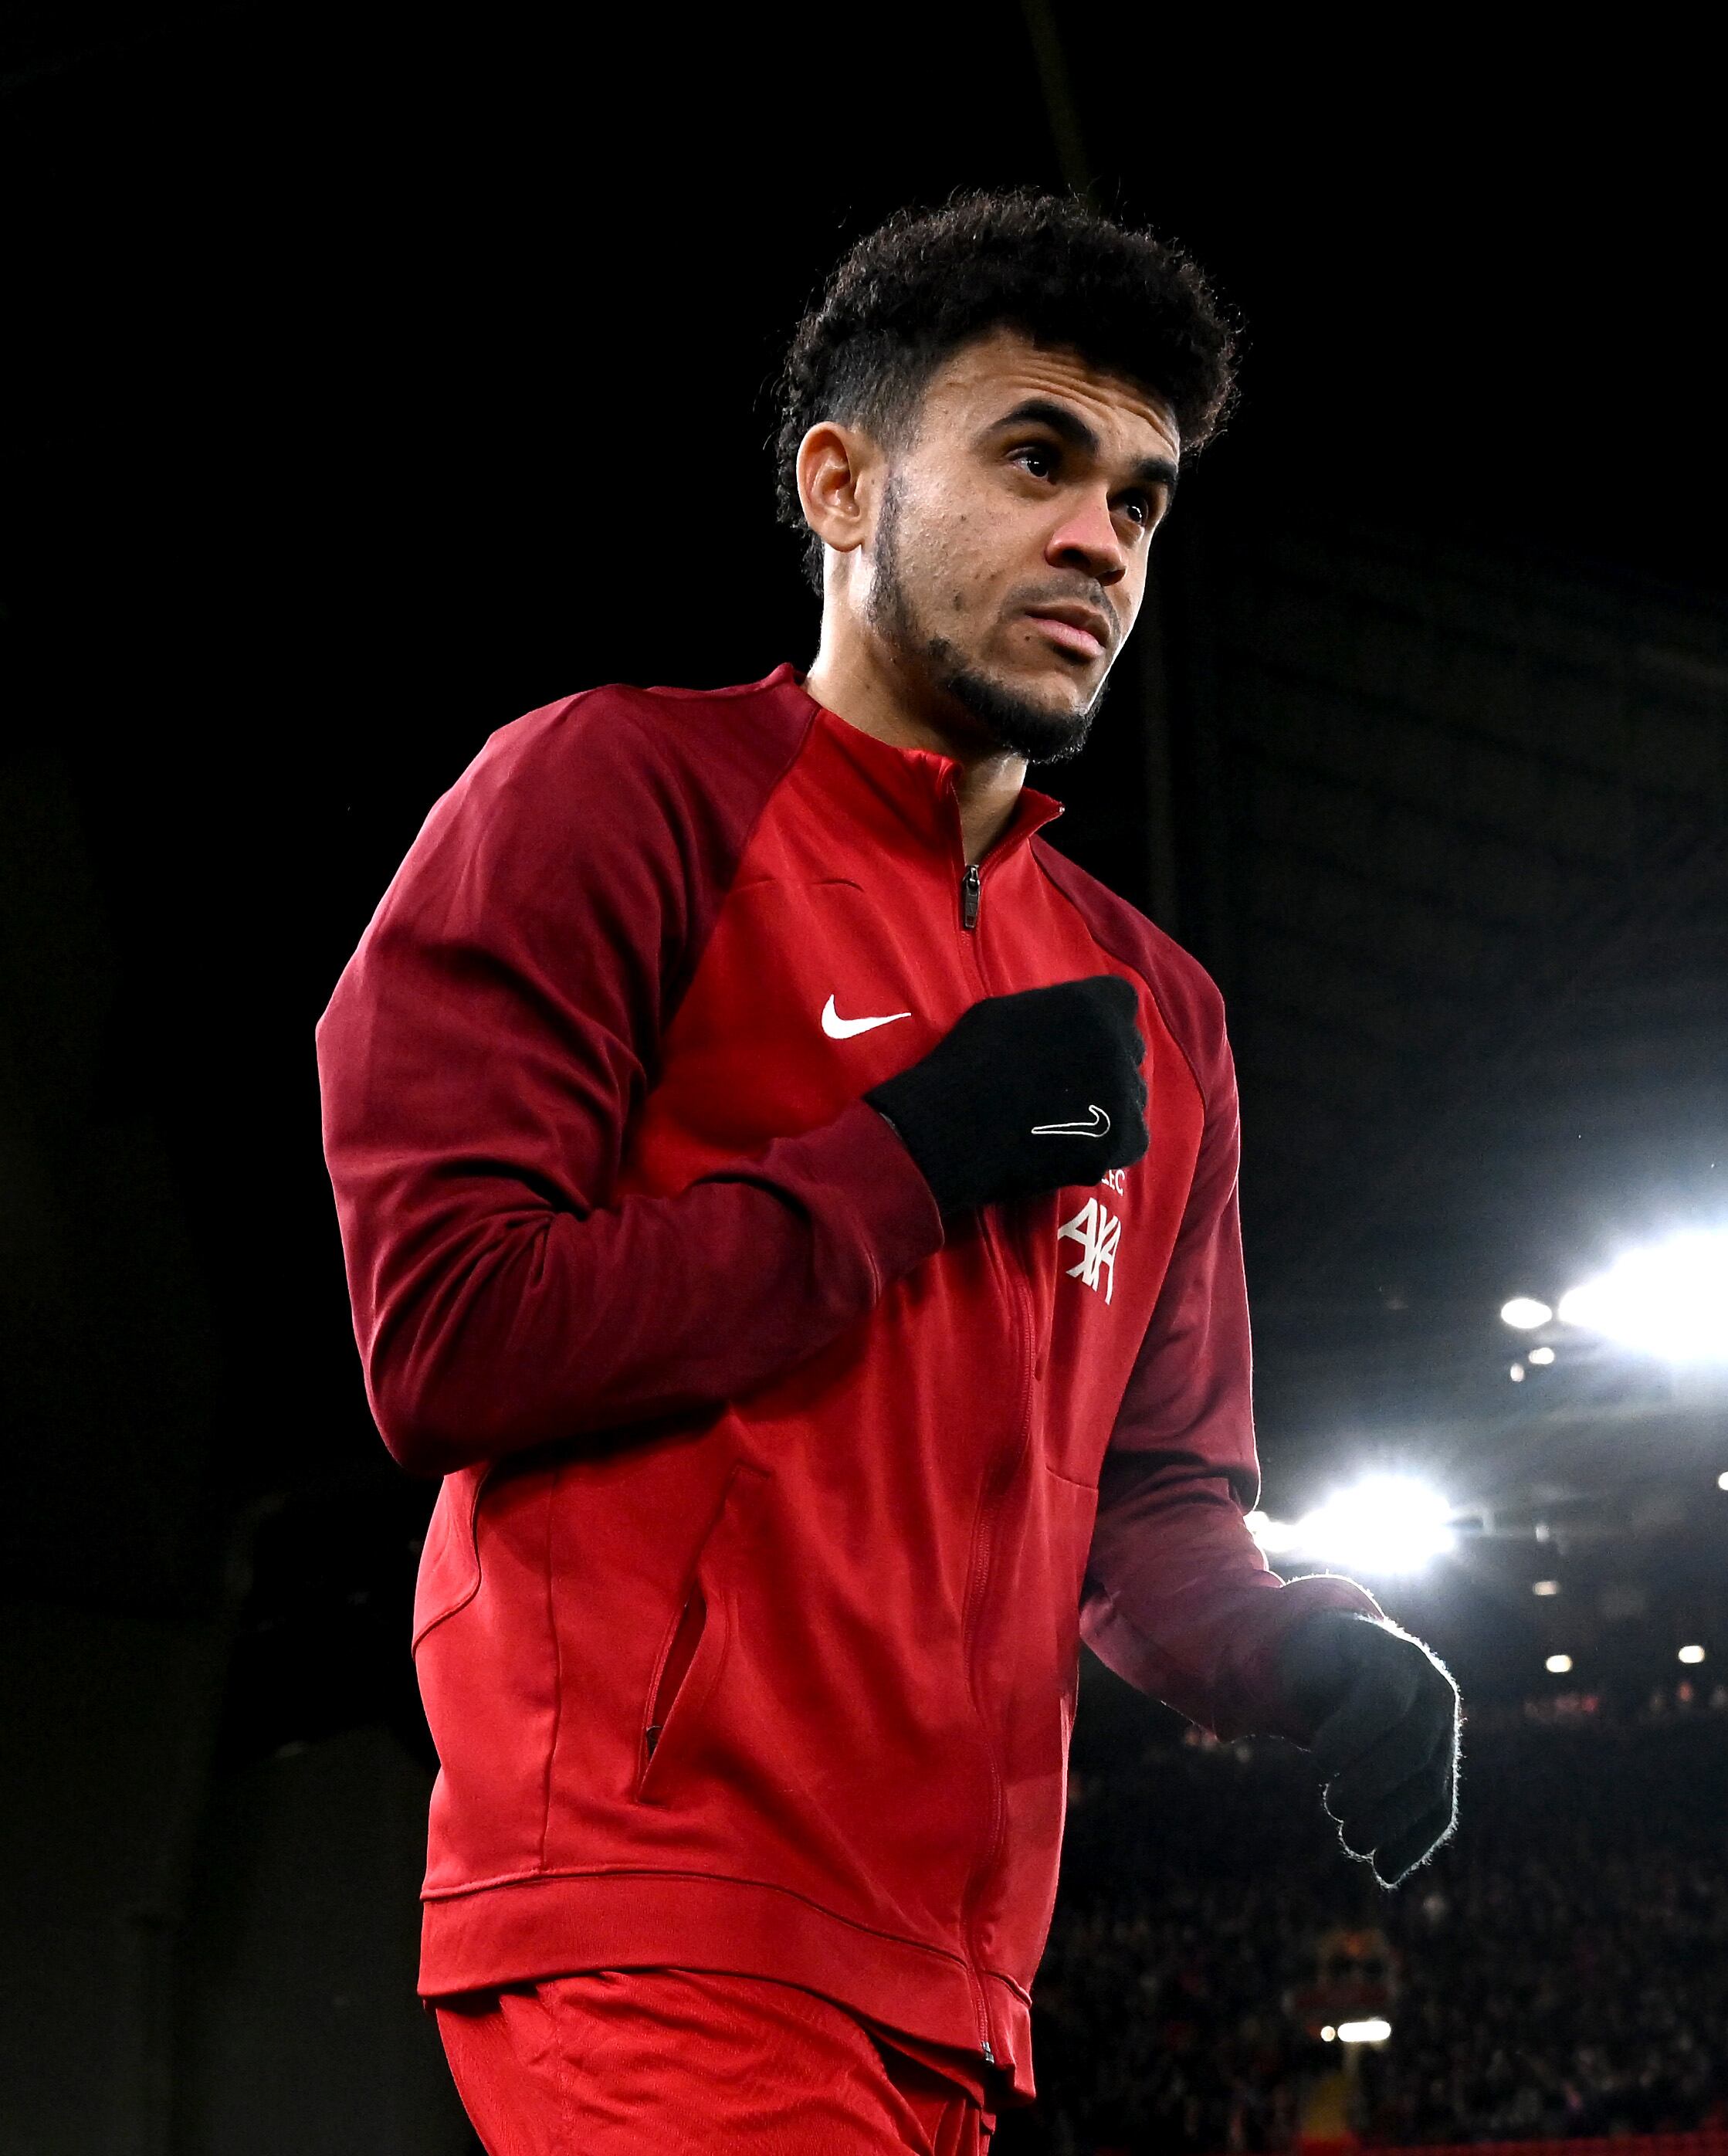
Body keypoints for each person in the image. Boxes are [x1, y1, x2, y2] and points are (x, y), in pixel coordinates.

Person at [317, 192, 1461, 2154]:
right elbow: (451, 1335)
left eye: (1142, 495)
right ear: (839, 484)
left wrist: (1303, 1644)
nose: (1100, 534)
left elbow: (1156, 1506)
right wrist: (909, 1155)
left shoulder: (1160, 1012)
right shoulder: (609, 794)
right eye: (1036, 456)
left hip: (960, 1991)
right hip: (653, 1910)